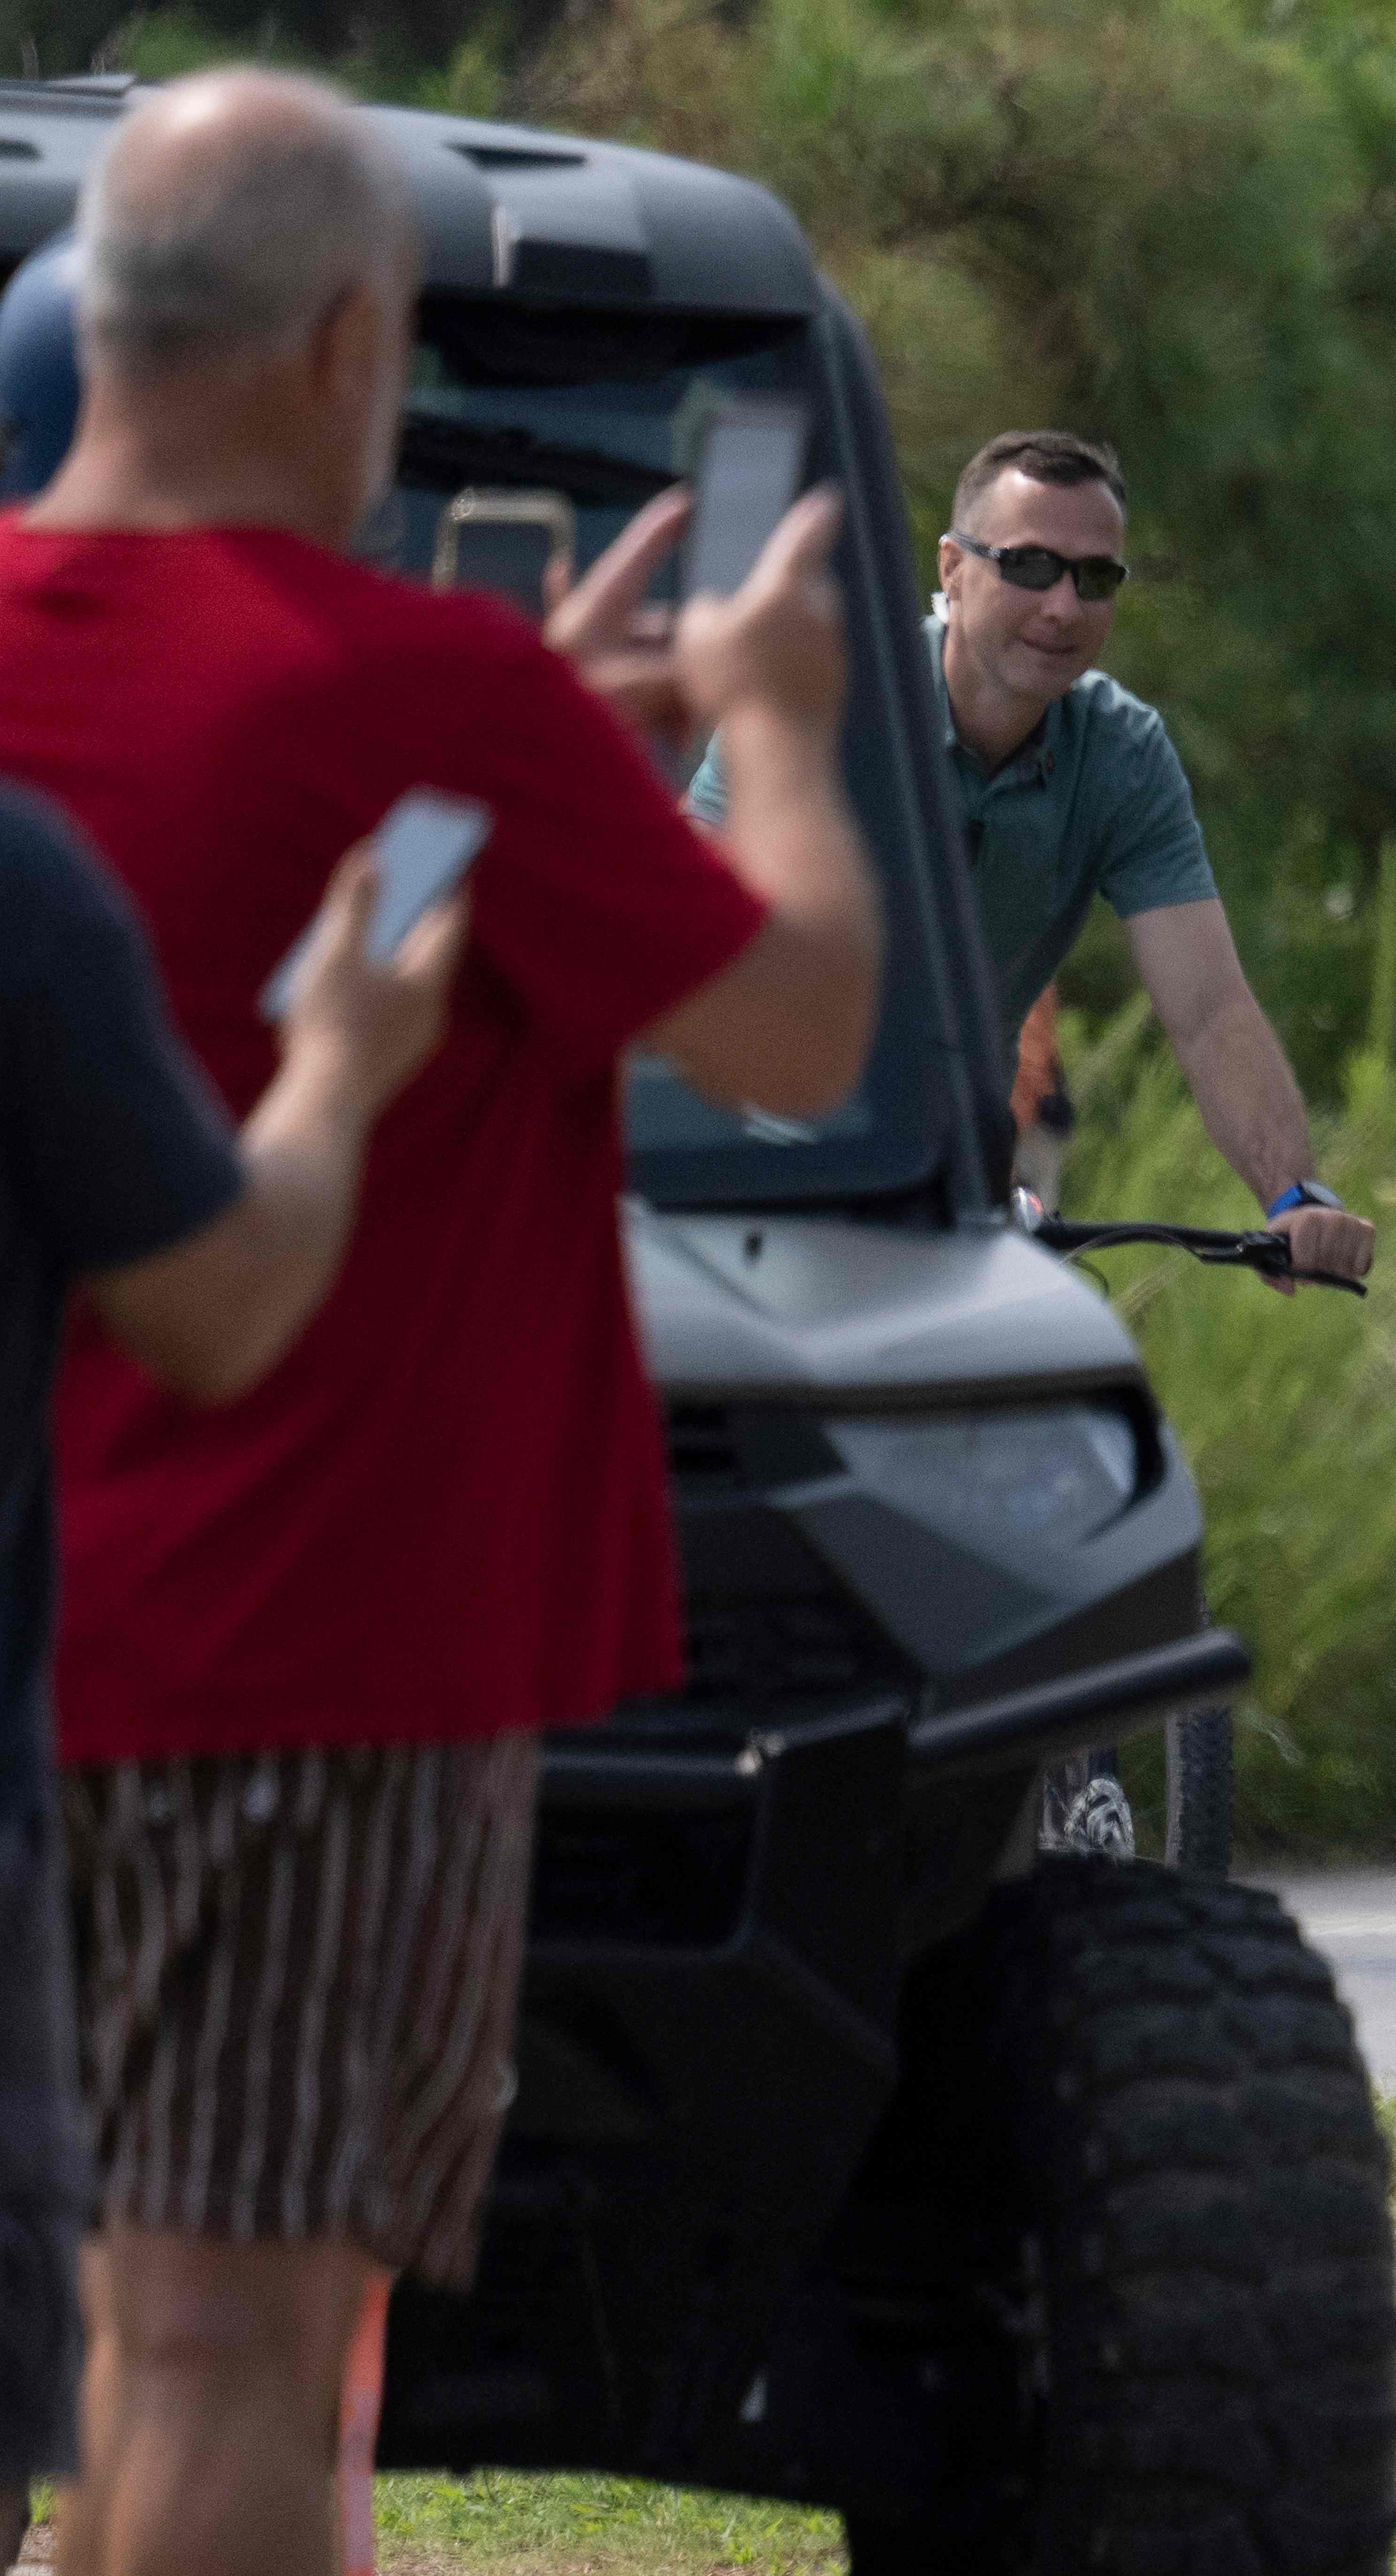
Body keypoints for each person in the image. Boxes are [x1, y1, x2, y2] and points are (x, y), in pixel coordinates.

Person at [0, 71, 880, 2576]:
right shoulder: (424, 696)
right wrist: (780, 726)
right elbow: (798, 1029)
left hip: (36, 1648)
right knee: (234, 2361)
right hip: (312, 1663)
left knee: (88, 2346)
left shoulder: (402, 723)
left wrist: (535, 759)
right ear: (346, 337)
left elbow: (231, 896)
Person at [0, 819, 460, 2567]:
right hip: (107, 1757)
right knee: (211, 2332)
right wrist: (340, 1060)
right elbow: (220, 1299)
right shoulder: (29, 895)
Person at [693, 429, 1376, 1286]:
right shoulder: (826, 701)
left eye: (1095, 578)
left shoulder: (1121, 755)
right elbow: (671, 933)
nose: (1062, 606)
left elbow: (1208, 1010)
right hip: (742, 1184)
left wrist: (1295, 1196)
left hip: (951, 1191)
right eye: (1027, 566)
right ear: (951, 568)